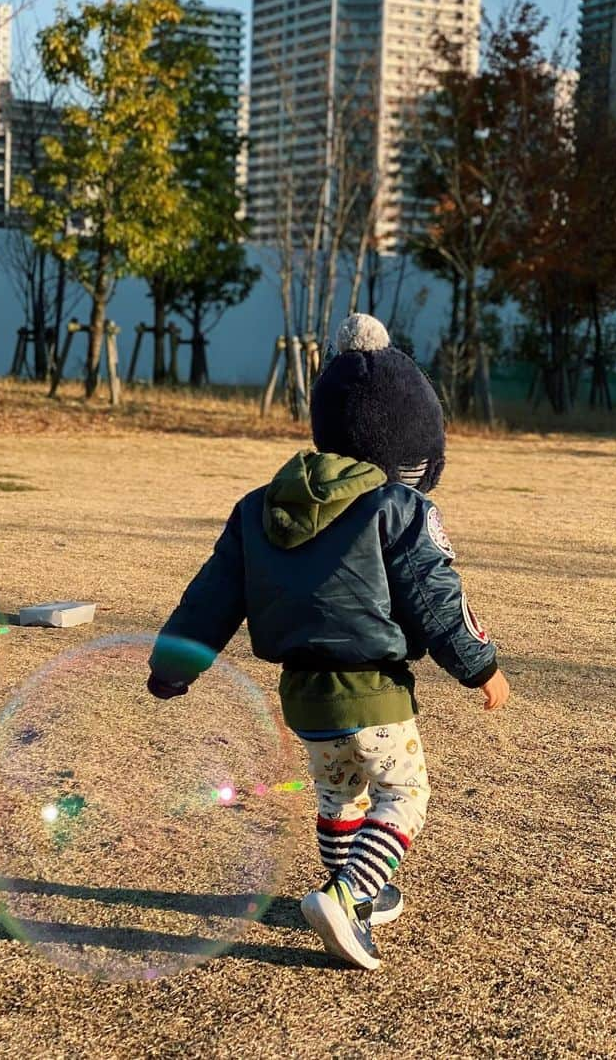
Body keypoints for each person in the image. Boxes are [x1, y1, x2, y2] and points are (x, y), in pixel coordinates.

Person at [147, 313, 510, 970]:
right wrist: (481, 666)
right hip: (372, 690)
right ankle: (348, 895)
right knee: (404, 795)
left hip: (304, 695)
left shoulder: (259, 505)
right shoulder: (399, 506)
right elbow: (437, 598)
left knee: (342, 795)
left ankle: (350, 895)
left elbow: (212, 595)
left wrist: (174, 663)